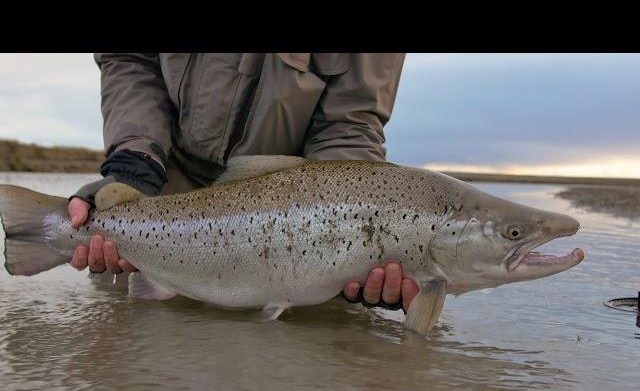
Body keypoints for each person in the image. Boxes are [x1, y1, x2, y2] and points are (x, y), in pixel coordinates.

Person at [69, 53, 419, 311]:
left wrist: (352, 243)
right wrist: (134, 161)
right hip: (160, 190)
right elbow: (130, 59)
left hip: (287, 216)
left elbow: (349, 125)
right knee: (127, 346)